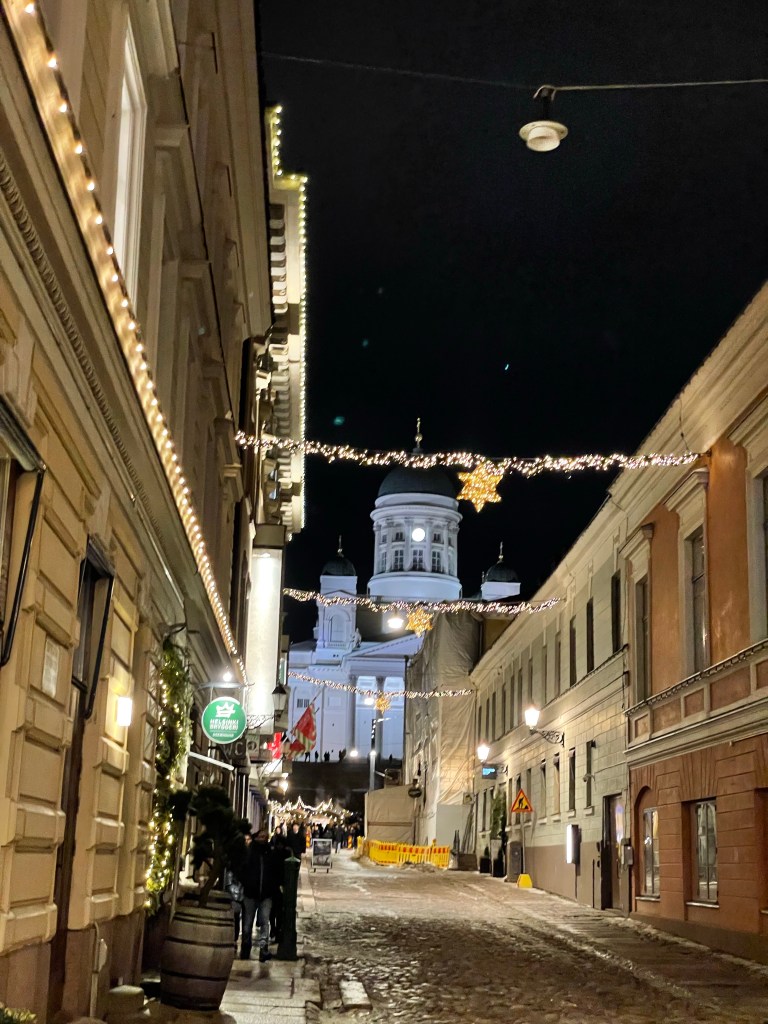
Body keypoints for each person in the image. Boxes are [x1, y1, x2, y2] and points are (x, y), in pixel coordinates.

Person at [238, 829, 280, 962]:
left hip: (266, 895)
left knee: (264, 923)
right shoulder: (249, 852)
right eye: (261, 836)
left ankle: (263, 949)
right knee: (247, 924)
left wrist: (273, 888)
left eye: (265, 836)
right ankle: (245, 948)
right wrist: (247, 883)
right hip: (250, 894)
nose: (263, 838)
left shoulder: (270, 853)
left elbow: (275, 872)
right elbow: (241, 870)